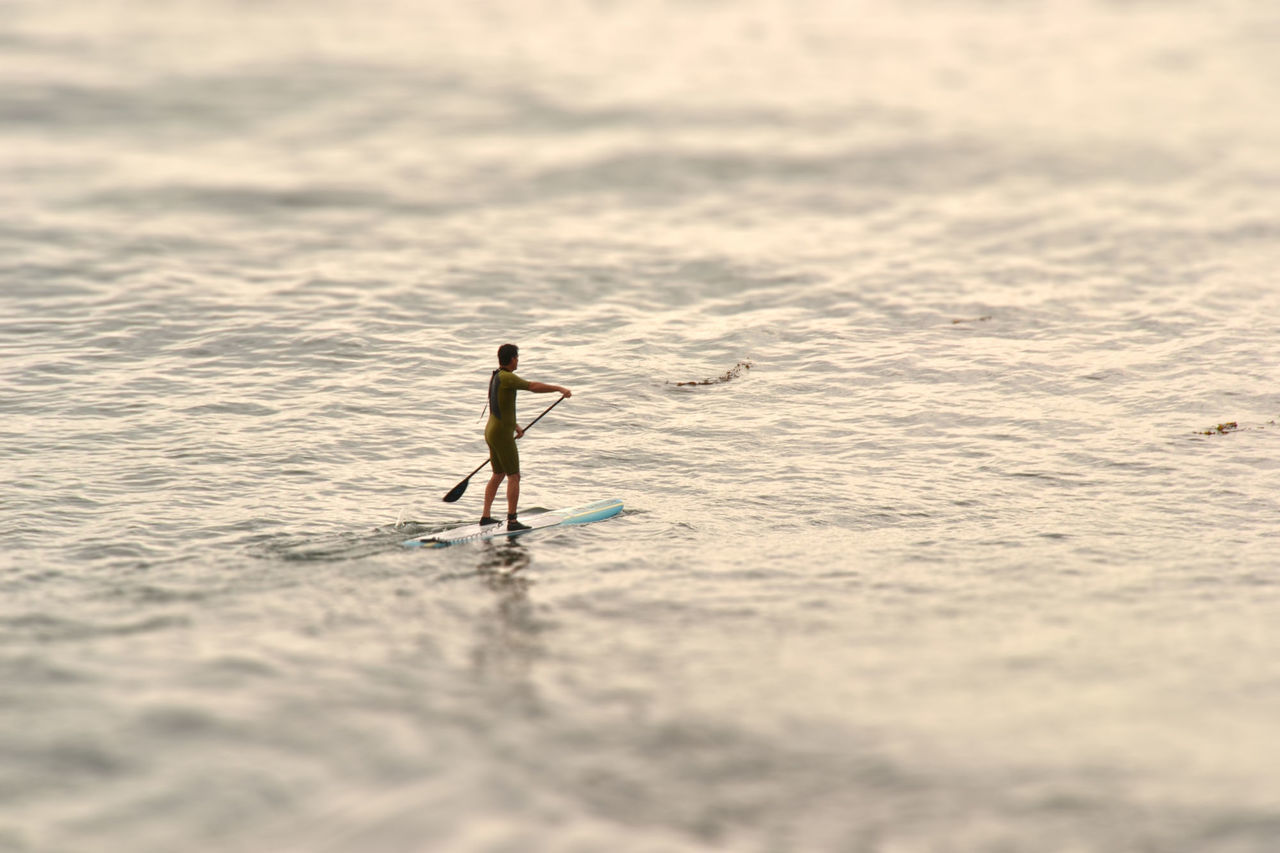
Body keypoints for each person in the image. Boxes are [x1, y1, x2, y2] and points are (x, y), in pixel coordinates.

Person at [481, 343, 571, 529]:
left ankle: (485, 517)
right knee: (514, 476)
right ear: (512, 358)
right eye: (517, 357)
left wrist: (514, 426)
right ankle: (512, 521)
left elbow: (497, 405)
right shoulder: (507, 377)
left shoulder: (496, 376)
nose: (518, 361)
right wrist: (558, 389)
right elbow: (532, 386)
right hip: (501, 435)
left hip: (491, 431)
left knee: (498, 474)